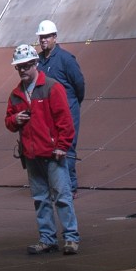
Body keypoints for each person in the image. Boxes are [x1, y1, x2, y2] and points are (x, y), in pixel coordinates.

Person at [5, 42, 78, 256]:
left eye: (26, 66)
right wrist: (15, 119)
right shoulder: (16, 95)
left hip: (53, 154)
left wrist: (62, 146)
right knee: (41, 199)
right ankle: (47, 239)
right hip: (32, 155)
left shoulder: (52, 87)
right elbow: (8, 122)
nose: (22, 70)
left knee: (62, 197)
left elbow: (65, 120)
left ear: (35, 64)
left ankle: (71, 238)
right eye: (19, 67)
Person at [35, 20, 86, 191]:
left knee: (67, 146)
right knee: (50, 146)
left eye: (47, 36)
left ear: (55, 37)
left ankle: (70, 187)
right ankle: (55, 185)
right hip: (48, 111)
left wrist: (72, 104)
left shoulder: (66, 59)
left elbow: (79, 85)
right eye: (41, 37)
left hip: (68, 108)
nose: (43, 40)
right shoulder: (38, 61)